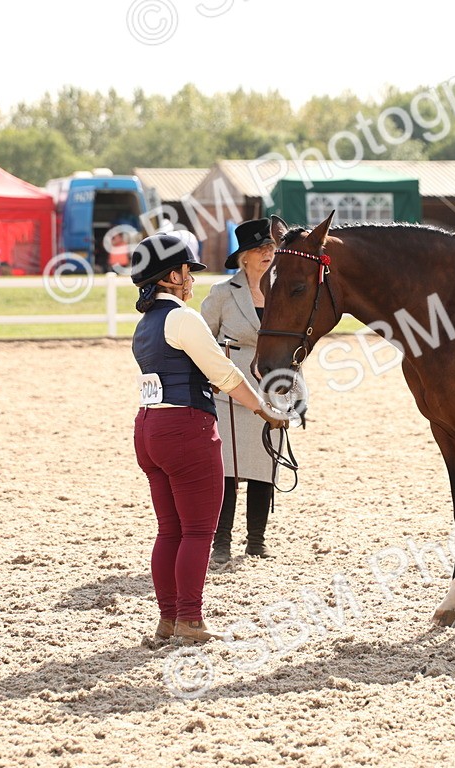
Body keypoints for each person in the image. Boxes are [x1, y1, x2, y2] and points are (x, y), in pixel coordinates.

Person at [130, 233, 288, 643]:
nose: (191, 279)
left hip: (149, 428)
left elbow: (179, 374)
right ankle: (190, 619)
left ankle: (168, 619)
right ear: (169, 277)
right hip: (186, 430)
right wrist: (263, 409)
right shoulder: (182, 317)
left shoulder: (145, 325)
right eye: (186, 271)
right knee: (199, 532)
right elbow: (224, 374)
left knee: (170, 530)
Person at [201, 218, 280, 562]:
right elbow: (202, 341)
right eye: (260, 248)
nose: (268, 253)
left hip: (273, 390)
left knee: (264, 467)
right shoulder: (222, 294)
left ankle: (257, 541)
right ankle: (221, 543)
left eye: (271, 247)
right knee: (227, 470)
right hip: (229, 393)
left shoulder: (286, 289)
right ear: (244, 256)